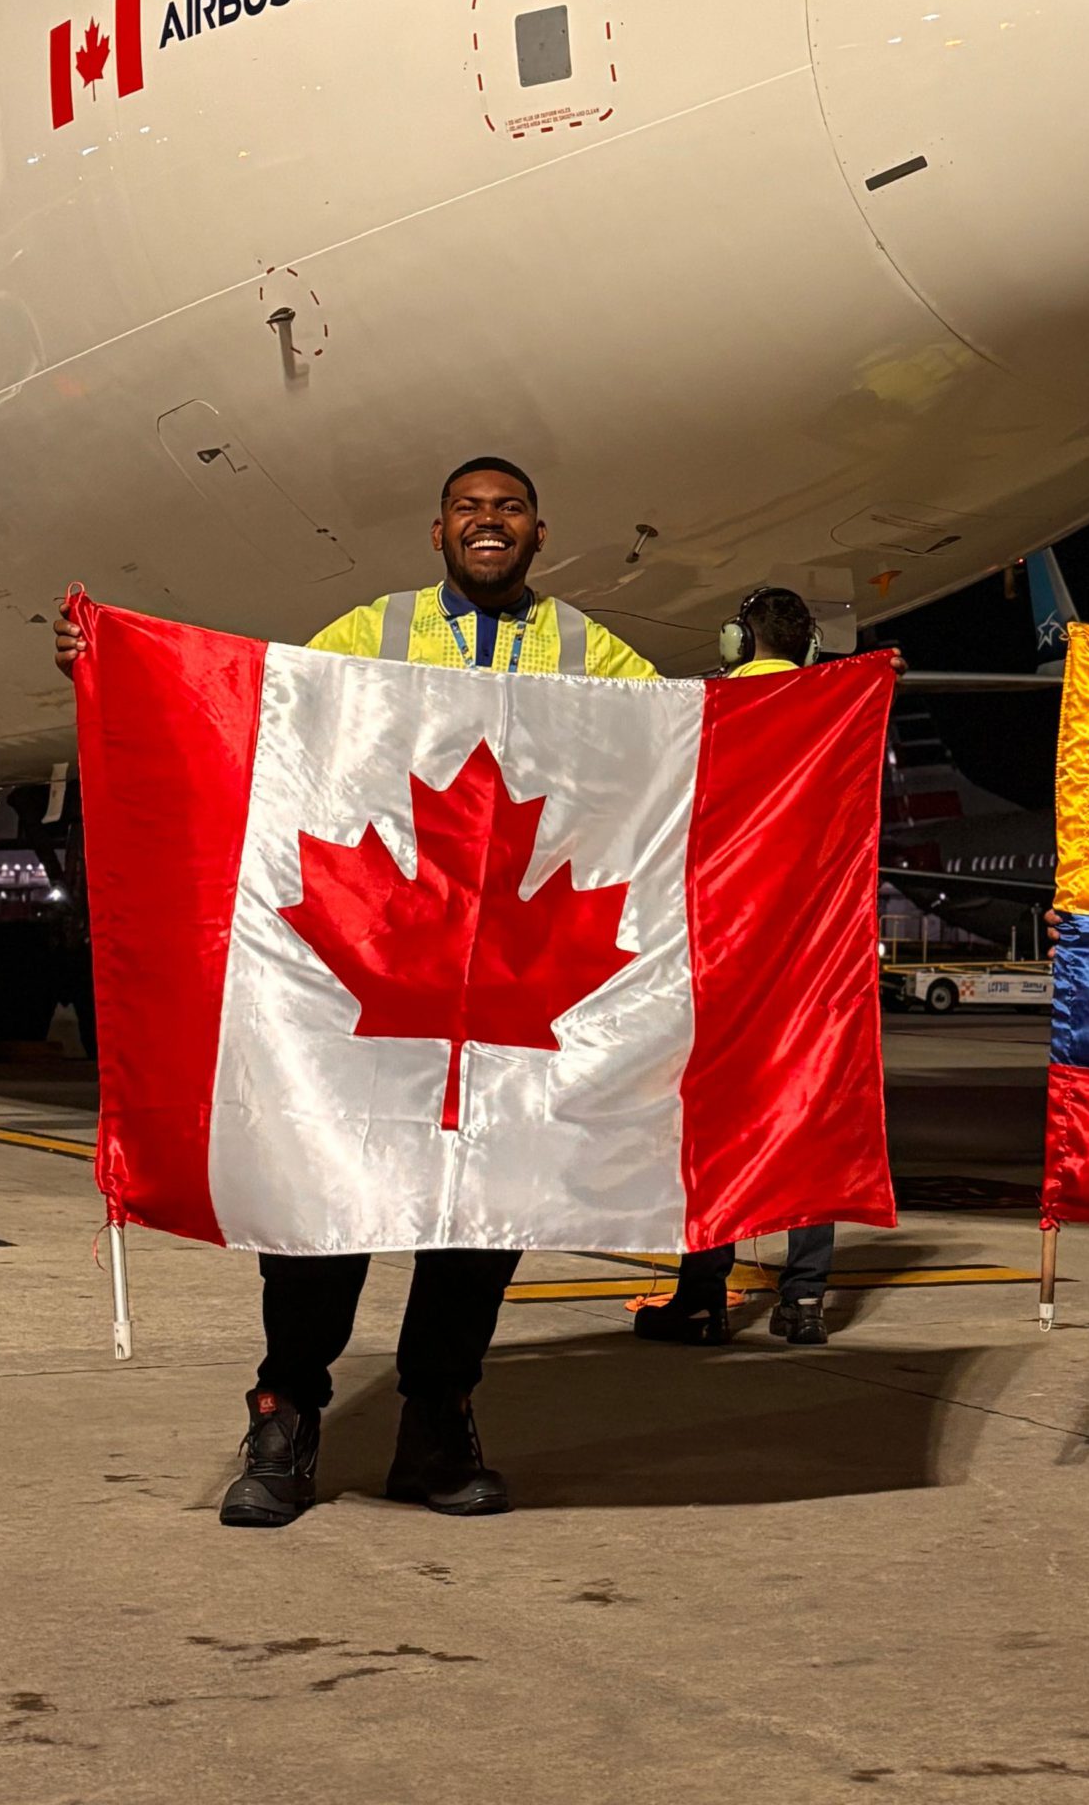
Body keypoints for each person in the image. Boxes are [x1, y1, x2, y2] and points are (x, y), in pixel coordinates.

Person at [57, 455, 658, 1528]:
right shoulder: (371, 628)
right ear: (438, 534)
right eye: (469, 508)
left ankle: (436, 1422)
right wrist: (108, 662)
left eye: (507, 508)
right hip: (372, 956)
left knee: (483, 1215)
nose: (489, 522)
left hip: (509, 974)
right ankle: (288, 1412)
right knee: (323, 1200)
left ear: (538, 532)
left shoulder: (587, 645)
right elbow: (258, 718)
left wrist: (803, 702)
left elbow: (681, 747)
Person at [633, 585, 836, 1348]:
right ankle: (805, 1302)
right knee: (804, 1118)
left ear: (732, 642)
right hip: (809, 951)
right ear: (809, 646)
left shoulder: (704, 709)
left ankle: (703, 1295)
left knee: (712, 1125)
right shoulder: (830, 706)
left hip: (718, 942)